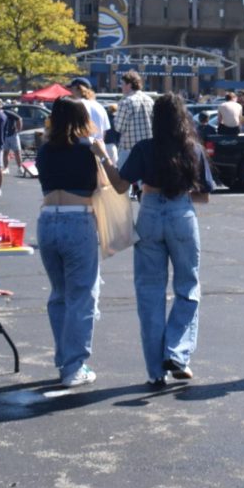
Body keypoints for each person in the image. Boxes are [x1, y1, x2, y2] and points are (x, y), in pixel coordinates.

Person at [98, 94, 214, 387]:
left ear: (155, 119)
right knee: (188, 285)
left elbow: (121, 184)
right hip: (181, 214)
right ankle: (177, 353)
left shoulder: (145, 148)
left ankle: (155, 371)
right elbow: (204, 194)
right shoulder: (193, 150)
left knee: (150, 293)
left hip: (149, 211)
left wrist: (103, 156)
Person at [36, 97, 102, 388]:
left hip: (48, 219)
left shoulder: (45, 151)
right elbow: (108, 185)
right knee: (82, 296)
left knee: (60, 294)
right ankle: (74, 366)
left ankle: (65, 360)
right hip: (79, 219)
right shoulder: (87, 150)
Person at [114, 70, 154, 170]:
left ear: (129, 85)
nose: (121, 87)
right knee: (145, 181)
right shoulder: (150, 100)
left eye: (122, 84)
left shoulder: (126, 102)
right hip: (148, 148)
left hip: (129, 148)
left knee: (123, 181)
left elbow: (119, 128)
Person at [69, 77, 114, 156]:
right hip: (100, 150)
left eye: (72, 89)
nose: (70, 92)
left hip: (82, 150)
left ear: (78, 89)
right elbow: (104, 132)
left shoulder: (77, 105)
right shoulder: (99, 106)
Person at [2, 106, 24, 176]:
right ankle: (6, 168)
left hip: (13, 135)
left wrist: (18, 129)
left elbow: (19, 118)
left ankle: (20, 167)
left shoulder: (7, 112)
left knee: (17, 152)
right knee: (5, 152)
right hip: (4, 136)